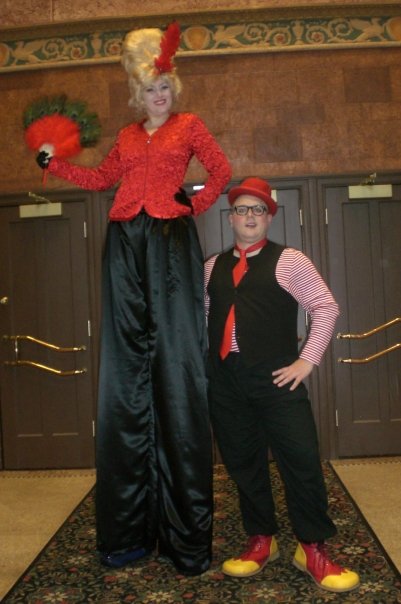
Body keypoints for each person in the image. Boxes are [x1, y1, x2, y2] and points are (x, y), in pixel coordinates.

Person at [36, 23, 231, 576]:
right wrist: (54, 163)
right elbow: (100, 180)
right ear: (137, 92)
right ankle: (128, 532)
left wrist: (194, 206)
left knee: (174, 363)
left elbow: (220, 170)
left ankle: (185, 538)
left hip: (169, 240)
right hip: (125, 241)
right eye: (150, 89)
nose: (159, 95)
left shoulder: (190, 125)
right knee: (127, 369)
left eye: (165, 86)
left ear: (173, 87)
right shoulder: (125, 136)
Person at [204, 177, 360, 592]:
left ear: (269, 217)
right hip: (226, 381)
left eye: (258, 209)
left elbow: (325, 307)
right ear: (231, 216)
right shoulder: (211, 267)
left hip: (276, 378)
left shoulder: (291, 261)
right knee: (243, 464)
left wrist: (305, 362)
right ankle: (261, 540)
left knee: (302, 462)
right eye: (242, 209)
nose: (249, 216)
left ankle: (311, 546)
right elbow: (204, 319)